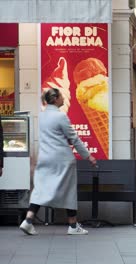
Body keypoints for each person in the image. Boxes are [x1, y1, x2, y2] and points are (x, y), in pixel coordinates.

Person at [19, 88, 97, 236]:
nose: (63, 99)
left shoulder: (41, 116)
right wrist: (88, 156)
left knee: (41, 188)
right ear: (55, 99)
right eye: (61, 96)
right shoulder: (61, 117)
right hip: (62, 159)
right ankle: (73, 225)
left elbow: (48, 136)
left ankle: (28, 220)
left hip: (45, 157)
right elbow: (74, 138)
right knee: (68, 191)